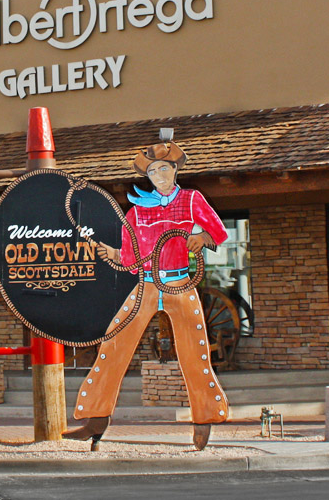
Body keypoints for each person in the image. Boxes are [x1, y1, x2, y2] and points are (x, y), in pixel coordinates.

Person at [63, 140, 229, 451]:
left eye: (164, 168)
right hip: (146, 284)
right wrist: (111, 252)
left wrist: (201, 236)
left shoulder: (192, 199)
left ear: (175, 170)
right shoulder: (137, 212)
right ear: (148, 176)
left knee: (195, 350)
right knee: (113, 342)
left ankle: (204, 419)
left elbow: (219, 232)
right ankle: (95, 420)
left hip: (180, 283)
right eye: (154, 171)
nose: (160, 175)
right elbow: (129, 259)